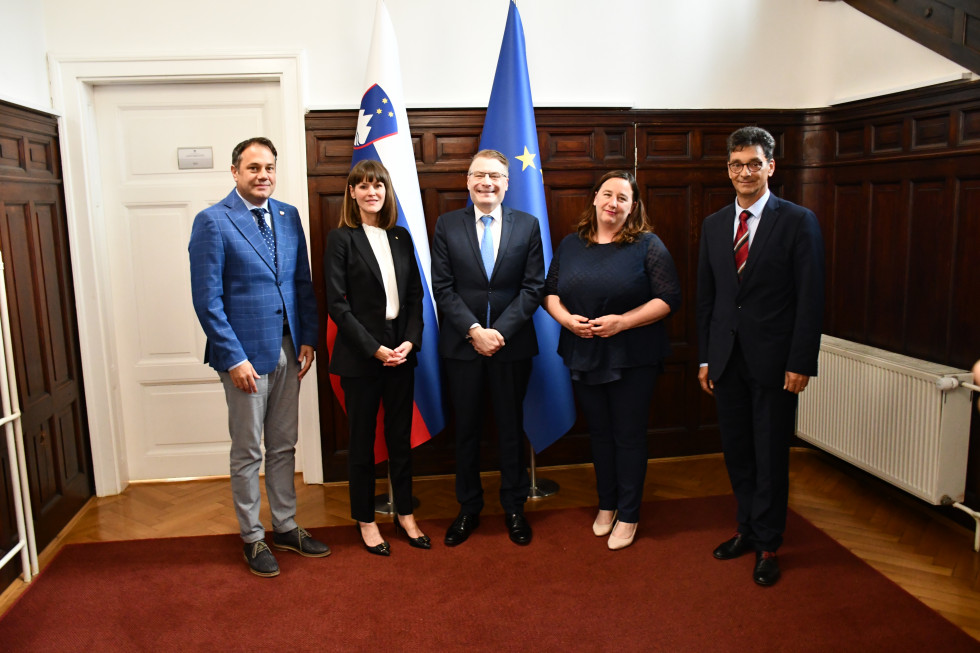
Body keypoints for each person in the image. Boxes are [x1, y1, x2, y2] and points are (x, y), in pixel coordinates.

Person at [189, 137, 329, 577]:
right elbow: (207, 300)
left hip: (290, 349)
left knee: (284, 445)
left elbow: (301, 283)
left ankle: (285, 526)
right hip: (244, 359)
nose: (263, 175)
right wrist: (233, 358)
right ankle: (252, 537)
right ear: (235, 172)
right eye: (253, 168)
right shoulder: (212, 221)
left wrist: (308, 338)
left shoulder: (288, 217)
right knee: (249, 450)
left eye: (269, 167)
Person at [696, 126, 825, 586]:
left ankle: (769, 544)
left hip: (776, 364)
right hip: (726, 361)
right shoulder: (714, 225)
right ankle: (746, 530)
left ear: (771, 166)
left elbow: (811, 299)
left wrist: (801, 361)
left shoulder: (797, 221)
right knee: (738, 454)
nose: (744, 172)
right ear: (728, 169)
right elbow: (707, 300)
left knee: (771, 456)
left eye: (754, 163)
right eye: (736, 164)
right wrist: (706, 359)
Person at [543, 170, 681, 551]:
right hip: (583, 352)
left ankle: (630, 512)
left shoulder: (648, 245)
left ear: (632, 206)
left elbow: (669, 298)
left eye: (622, 198)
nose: (613, 203)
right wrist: (567, 320)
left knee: (629, 435)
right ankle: (607, 505)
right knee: (600, 434)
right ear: (595, 198)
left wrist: (623, 322)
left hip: (632, 357)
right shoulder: (572, 244)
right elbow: (550, 293)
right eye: (607, 195)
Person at [431, 149, 545, 547]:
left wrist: (499, 332)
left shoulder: (527, 226)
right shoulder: (447, 225)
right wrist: (475, 331)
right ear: (467, 180)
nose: (487, 182)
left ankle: (514, 507)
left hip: (511, 348)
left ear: (507, 183)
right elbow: (442, 288)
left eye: (496, 176)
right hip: (463, 348)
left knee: (511, 430)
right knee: (466, 431)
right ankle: (468, 508)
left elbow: (534, 288)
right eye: (480, 175)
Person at [324, 160, 429, 556]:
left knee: (400, 439)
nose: (372, 192)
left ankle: (405, 513)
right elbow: (337, 304)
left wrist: (410, 342)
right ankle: (366, 520)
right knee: (363, 443)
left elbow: (417, 298)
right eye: (363, 186)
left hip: (400, 350)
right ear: (352, 193)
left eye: (378, 186)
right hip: (361, 354)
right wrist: (373, 347)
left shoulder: (401, 237)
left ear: (387, 192)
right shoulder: (341, 239)